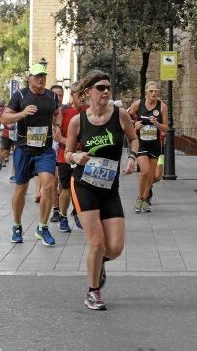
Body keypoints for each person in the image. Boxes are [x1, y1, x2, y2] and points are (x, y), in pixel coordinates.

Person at [64, 70, 138, 310]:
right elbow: (66, 154)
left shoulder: (121, 115)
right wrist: (76, 155)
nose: (106, 91)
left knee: (114, 248)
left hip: (109, 188)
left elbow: (133, 139)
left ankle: (99, 264)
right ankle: (92, 292)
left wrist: (133, 157)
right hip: (84, 185)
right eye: (101, 88)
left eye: (108, 87)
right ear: (88, 93)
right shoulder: (78, 121)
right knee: (96, 242)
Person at [0, 63, 62, 246]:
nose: (40, 79)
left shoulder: (51, 96)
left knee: (49, 186)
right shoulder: (20, 95)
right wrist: (22, 113)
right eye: (37, 76)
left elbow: (57, 113)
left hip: (44, 150)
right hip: (24, 149)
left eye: (43, 75)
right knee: (21, 190)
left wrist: (57, 125)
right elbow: (4, 118)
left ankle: (42, 228)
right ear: (29, 78)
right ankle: (17, 226)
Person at [128, 81, 168, 213]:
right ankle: (140, 198)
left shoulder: (162, 107)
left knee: (154, 176)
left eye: (156, 91)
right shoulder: (137, 104)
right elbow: (126, 117)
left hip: (156, 146)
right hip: (141, 144)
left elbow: (166, 128)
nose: (153, 93)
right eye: (151, 91)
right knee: (145, 171)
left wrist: (157, 125)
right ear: (146, 92)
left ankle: (145, 199)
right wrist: (135, 124)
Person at [54, 81, 87, 231]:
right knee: (66, 189)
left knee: (81, 188)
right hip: (65, 156)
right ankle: (62, 216)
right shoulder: (63, 112)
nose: (82, 97)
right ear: (72, 95)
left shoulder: (89, 111)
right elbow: (57, 136)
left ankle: (77, 213)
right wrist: (66, 141)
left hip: (84, 156)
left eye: (84, 93)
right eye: (79, 94)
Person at [48, 84, 65, 223]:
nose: (58, 98)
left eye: (60, 95)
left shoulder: (66, 110)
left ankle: (62, 206)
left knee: (61, 181)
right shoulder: (45, 109)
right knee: (54, 181)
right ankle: (55, 209)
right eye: (55, 95)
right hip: (49, 148)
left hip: (63, 148)